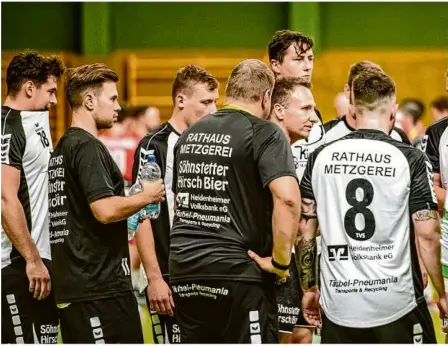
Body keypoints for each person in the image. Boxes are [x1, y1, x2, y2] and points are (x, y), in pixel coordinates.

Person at [298, 69, 447, 343]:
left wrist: (309, 288)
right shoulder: (410, 158)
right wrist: (442, 293)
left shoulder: (319, 157)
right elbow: (427, 234)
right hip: (397, 301)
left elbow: (305, 232)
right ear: (394, 110)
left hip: (339, 302)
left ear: (352, 110)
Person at [169, 59, 301, 343]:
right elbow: (288, 200)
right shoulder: (265, 133)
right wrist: (279, 262)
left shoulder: (187, 136)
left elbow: (182, 202)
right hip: (237, 272)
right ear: (267, 97)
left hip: (184, 271)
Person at [48, 63, 165, 343]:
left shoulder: (65, 146)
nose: (118, 107)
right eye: (112, 99)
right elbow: (104, 209)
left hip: (81, 286)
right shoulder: (87, 147)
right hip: (98, 289)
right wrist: (146, 196)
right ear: (89, 101)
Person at [132, 65, 219, 344]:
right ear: (181, 100)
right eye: (206, 102)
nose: (214, 110)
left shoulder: (216, 144)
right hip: (172, 278)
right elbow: (143, 216)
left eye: (216, 102)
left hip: (214, 276)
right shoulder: (153, 146)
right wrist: (155, 279)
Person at [1, 51, 65, 344]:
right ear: (29, 87)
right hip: (16, 266)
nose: (54, 100)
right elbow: (4, 198)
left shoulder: (36, 120)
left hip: (41, 263)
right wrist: (32, 259)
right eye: (50, 91)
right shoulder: (7, 127)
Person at [268, 29, 325, 344]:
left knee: (303, 334)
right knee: (280, 336)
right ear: (276, 64)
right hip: (273, 245)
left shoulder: (312, 115)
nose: (307, 66)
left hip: (306, 241)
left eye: (311, 59)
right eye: (298, 59)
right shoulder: (266, 113)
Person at [324, 61, 410, 145]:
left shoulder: (398, 137)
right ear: (347, 90)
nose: (367, 96)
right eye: (360, 90)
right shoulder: (325, 135)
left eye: (375, 89)